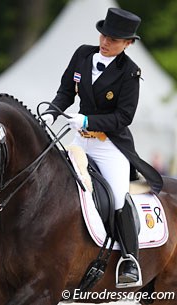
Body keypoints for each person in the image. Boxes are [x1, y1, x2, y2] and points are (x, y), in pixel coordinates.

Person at [42, 7, 163, 286]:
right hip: (80, 141)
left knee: (118, 198)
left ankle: (129, 260)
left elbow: (124, 117)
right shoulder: (83, 54)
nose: (106, 43)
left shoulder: (130, 73)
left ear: (128, 43)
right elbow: (65, 92)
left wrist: (87, 119)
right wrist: (52, 111)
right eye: (104, 35)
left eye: (114, 40)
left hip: (110, 145)